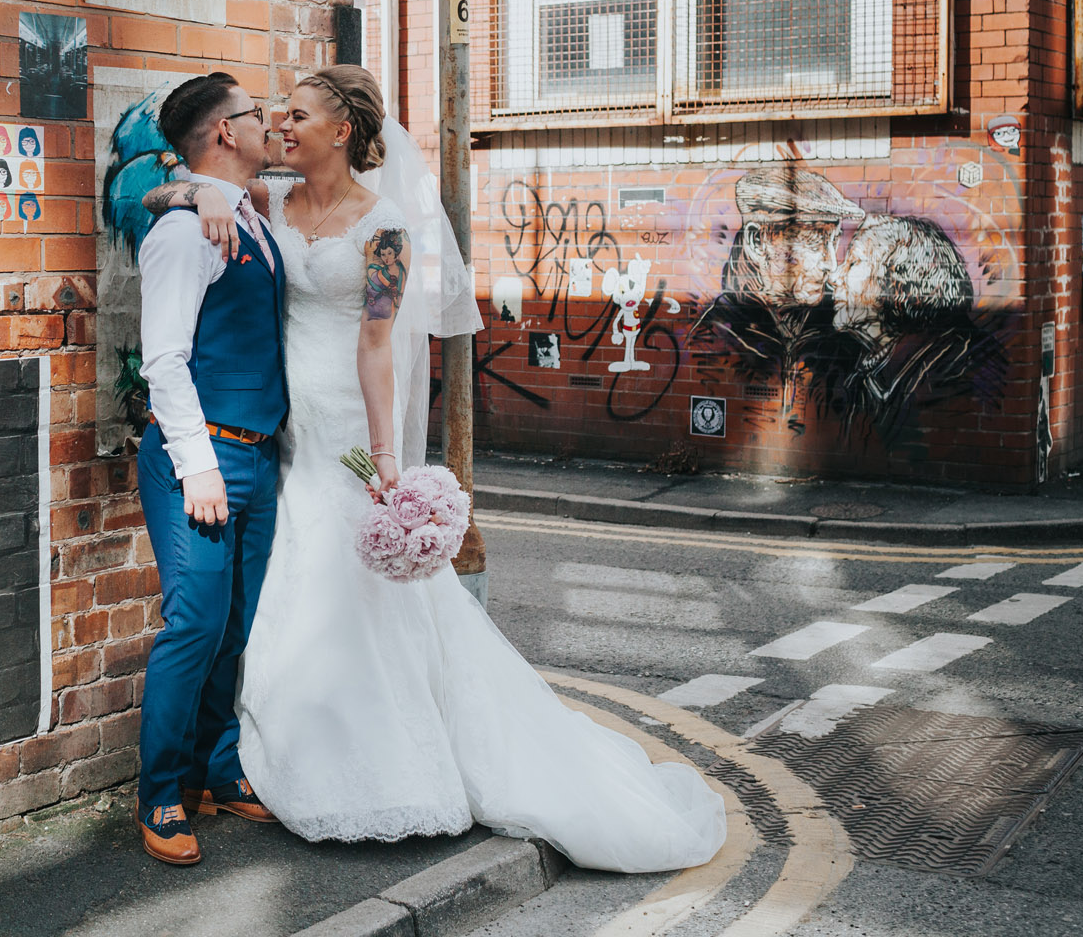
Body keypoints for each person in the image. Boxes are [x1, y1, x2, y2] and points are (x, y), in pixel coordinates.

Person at [150, 66, 726, 873]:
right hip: (284, 431)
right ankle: (251, 760)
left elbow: (382, 342)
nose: (281, 125)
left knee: (360, 593)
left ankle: (388, 768)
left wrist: (389, 455)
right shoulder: (268, 197)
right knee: (285, 591)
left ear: (342, 130)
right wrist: (196, 192)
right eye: (275, 115)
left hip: (350, 425)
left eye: (299, 115)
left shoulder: (384, 229)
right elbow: (178, 188)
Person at [131, 72, 285, 867]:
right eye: (258, 114)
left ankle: (214, 771)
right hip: (201, 456)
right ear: (227, 131)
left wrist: (195, 189)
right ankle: (160, 792)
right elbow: (163, 359)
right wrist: (198, 467)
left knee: (237, 625)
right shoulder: (184, 235)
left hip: (257, 454)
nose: (272, 123)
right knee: (193, 624)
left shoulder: (248, 212)